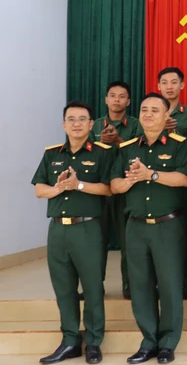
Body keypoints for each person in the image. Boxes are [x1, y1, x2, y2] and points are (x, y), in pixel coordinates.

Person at [111, 93, 187, 364]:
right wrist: (131, 180)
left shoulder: (180, 144)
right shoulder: (127, 148)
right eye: (144, 110)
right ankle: (148, 342)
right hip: (135, 227)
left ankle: (168, 343)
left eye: (155, 110)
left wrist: (151, 175)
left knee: (169, 286)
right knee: (140, 286)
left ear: (167, 115)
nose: (148, 114)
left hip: (167, 225)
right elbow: (114, 185)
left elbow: (183, 179)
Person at [32, 101, 113, 365]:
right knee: (64, 287)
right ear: (64, 124)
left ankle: (94, 341)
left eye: (82, 119)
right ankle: (69, 340)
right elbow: (39, 189)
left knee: (92, 287)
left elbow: (109, 189)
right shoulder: (52, 154)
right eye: (71, 119)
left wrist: (78, 185)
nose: (76, 123)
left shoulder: (102, 153)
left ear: (91, 125)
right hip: (57, 229)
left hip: (87, 228)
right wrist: (59, 188)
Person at [92, 80, 143, 300]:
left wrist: (119, 140)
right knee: (96, 241)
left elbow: (139, 152)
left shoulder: (136, 124)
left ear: (128, 101)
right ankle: (95, 286)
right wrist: (101, 144)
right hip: (99, 188)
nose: (117, 100)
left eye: (122, 96)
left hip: (125, 188)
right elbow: (86, 152)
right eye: (113, 95)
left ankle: (129, 285)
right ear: (106, 99)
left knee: (127, 240)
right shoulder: (95, 125)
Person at [157, 67, 187, 300]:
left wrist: (174, 134)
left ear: (182, 85)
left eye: (174, 82)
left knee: (184, 233)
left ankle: (185, 282)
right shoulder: (151, 112)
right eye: (165, 82)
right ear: (158, 86)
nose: (169, 86)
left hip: (181, 180)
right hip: (153, 182)